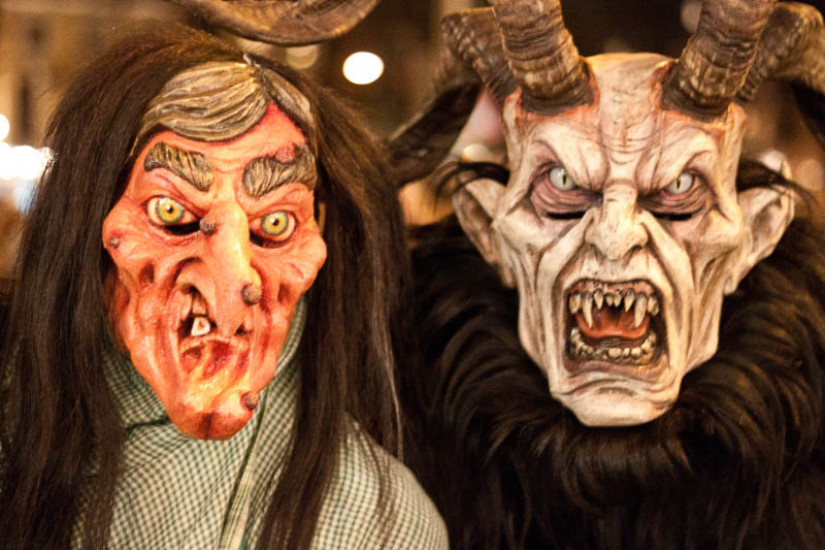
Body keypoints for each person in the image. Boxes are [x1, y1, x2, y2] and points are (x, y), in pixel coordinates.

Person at [391, 0, 825, 548]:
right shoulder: (402, 466)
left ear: (758, 234)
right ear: (486, 229)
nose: (614, 235)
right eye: (563, 184)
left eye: (679, 189)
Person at [0, 25, 447, 549]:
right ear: (88, 218)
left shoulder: (380, 524)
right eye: (172, 212)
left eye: (275, 224)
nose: (233, 293)